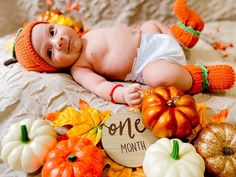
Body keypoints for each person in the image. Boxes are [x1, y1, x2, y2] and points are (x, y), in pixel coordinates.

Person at [5, 0, 235, 108]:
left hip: (150, 38)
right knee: (160, 77)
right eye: (50, 51)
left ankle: (183, 33)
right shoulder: (80, 68)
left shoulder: (86, 35)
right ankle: (201, 77)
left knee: (151, 23)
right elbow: (100, 87)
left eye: (53, 32)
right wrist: (122, 95)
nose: (60, 41)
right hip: (150, 63)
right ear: (53, 68)